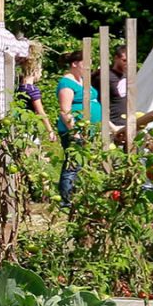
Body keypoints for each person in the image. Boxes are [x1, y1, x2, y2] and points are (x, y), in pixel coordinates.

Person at [54, 49, 102, 203]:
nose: (89, 66)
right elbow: (65, 111)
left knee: (85, 164)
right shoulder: (66, 83)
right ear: (74, 64)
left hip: (88, 130)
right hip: (74, 131)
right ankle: (67, 200)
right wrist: (75, 132)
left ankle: (80, 196)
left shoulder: (82, 81)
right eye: (85, 63)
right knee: (73, 164)